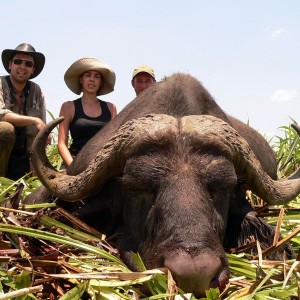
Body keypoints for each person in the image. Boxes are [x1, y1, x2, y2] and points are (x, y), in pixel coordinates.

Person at [0, 43, 48, 180]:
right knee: (5, 129)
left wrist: (35, 163)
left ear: (33, 70)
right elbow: (1, 114)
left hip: (23, 157)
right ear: (10, 65)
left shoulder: (36, 91)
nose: (22, 67)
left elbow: (42, 130)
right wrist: (34, 120)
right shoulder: (0, 83)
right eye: (18, 61)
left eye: (28, 64)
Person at [58, 57, 117, 168]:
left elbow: (114, 142)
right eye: (88, 75)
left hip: (101, 165)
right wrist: (73, 167)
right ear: (81, 79)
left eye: (97, 76)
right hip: (74, 162)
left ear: (101, 82)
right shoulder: (68, 107)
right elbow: (61, 144)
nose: (92, 79)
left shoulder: (111, 108)